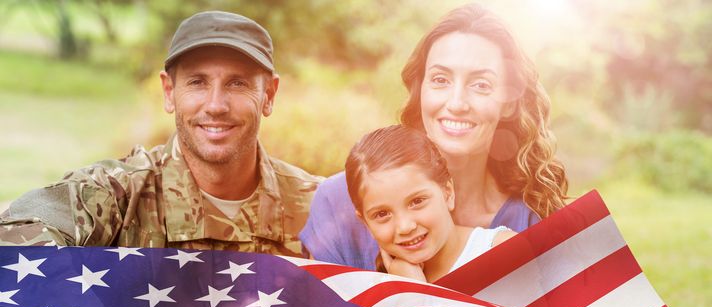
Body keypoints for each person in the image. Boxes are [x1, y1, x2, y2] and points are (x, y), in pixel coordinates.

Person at [0, 11, 322, 257]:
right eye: (197, 82)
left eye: (237, 83)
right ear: (169, 92)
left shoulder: (323, 208)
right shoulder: (116, 195)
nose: (215, 105)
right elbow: (16, 238)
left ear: (269, 95)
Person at [300, 3, 568, 269]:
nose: (457, 103)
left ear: (509, 101)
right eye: (441, 80)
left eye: (481, 85)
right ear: (420, 90)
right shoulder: (338, 202)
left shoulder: (535, 219)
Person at [345, 125, 516, 282]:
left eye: (417, 201)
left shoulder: (504, 252)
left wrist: (418, 293)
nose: (405, 227)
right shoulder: (379, 289)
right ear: (365, 222)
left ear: (447, 193)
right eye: (382, 214)